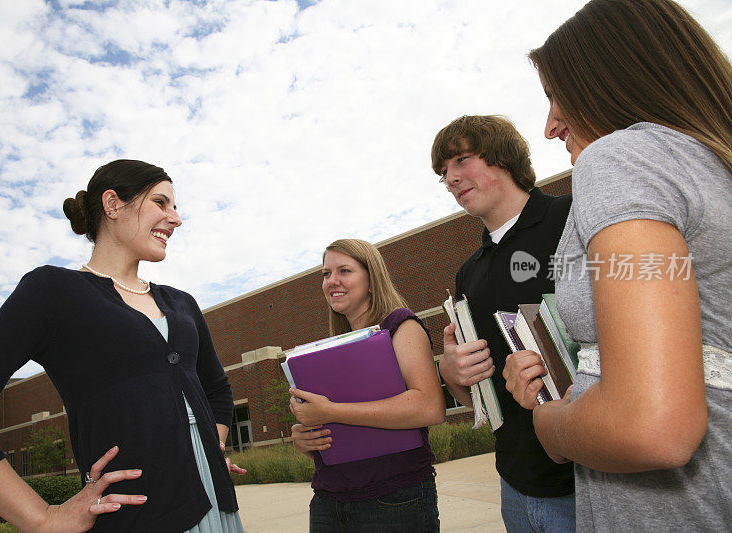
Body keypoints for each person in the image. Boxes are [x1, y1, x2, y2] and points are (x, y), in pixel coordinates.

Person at [503, 0, 732, 530]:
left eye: (556, 96)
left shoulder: (623, 159)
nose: (550, 125)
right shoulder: (706, 165)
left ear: (613, 80)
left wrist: (550, 424)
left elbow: (652, 427)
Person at [0, 159, 246, 532]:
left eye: (175, 207)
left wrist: (210, 450)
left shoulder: (183, 303)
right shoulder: (54, 292)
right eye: (161, 203)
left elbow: (217, 391)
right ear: (112, 204)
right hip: (138, 515)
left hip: (219, 508)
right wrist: (42, 517)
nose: (175, 218)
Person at [432, 115, 575, 532]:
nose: (451, 179)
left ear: (503, 157)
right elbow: (474, 394)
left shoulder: (569, 218)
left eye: (461, 161)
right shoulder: (468, 275)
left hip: (588, 480)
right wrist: (452, 372)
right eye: (443, 173)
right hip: (514, 487)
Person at [289, 238, 445, 532]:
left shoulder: (401, 325)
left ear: (371, 280)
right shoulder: (330, 350)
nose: (332, 281)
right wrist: (308, 439)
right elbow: (341, 426)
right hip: (328, 500)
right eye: (326, 274)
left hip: (394, 500)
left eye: (344, 271)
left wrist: (330, 411)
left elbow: (429, 407)